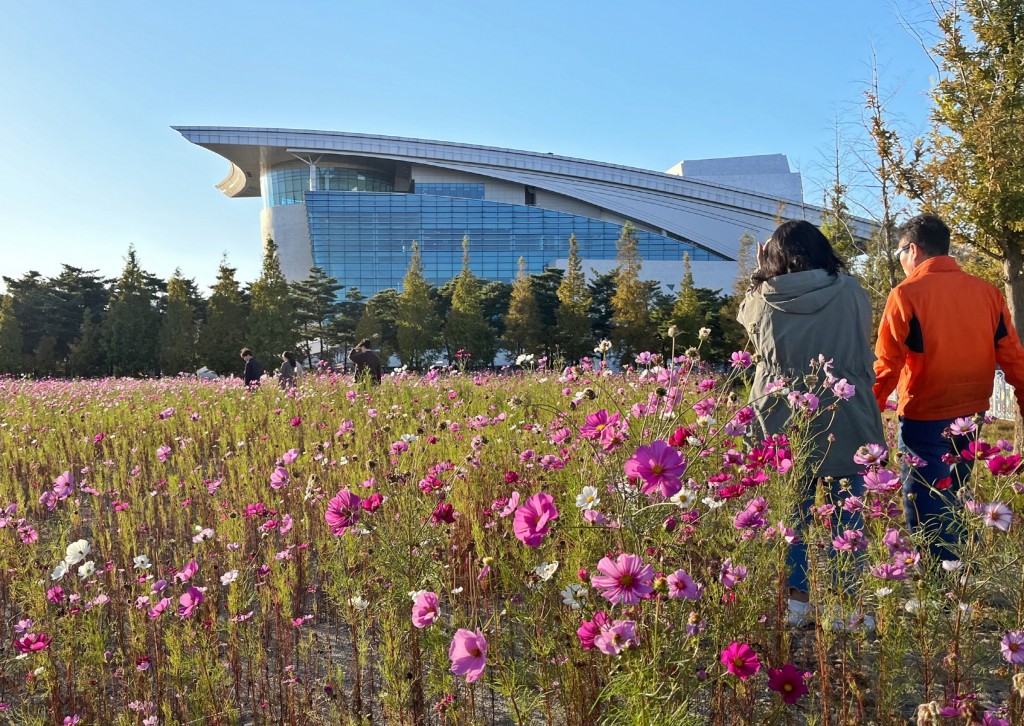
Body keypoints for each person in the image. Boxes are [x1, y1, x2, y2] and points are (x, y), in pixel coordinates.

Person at [738, 220, 884, 628]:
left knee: (792, 514)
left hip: (781, 416)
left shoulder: (761, 299)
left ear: (773, 255)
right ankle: (845, 604)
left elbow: (745, 322)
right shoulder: (853, 292)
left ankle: (797, 602)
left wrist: (758, 268)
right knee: (847, 511)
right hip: (846, 412)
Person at [873, 213, 1024, 563]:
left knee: (925, 497)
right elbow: (1013, 355)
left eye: (899, 253)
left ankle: (941, 578)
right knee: (955, 489)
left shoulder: (906, 293)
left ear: (912, 249)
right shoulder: (986, 292)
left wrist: (871, 409)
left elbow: (887, 364)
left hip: (926, 411)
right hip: (972, 409)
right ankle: (957, 566)